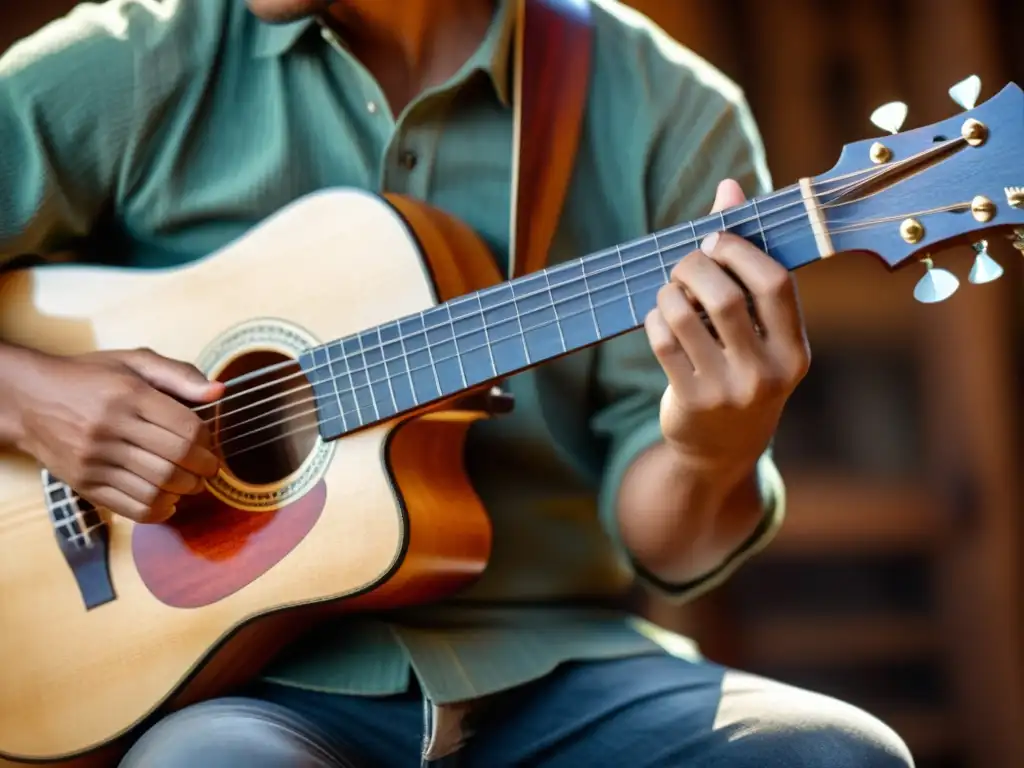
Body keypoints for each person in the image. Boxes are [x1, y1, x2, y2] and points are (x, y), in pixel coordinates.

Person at [0, 1, 915, 766]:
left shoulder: (664, 106)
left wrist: (716, 441)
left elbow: (670, 549)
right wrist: (32, 395)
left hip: (559, 676)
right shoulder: (140, 57)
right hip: (244, 691)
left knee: (834, 755)